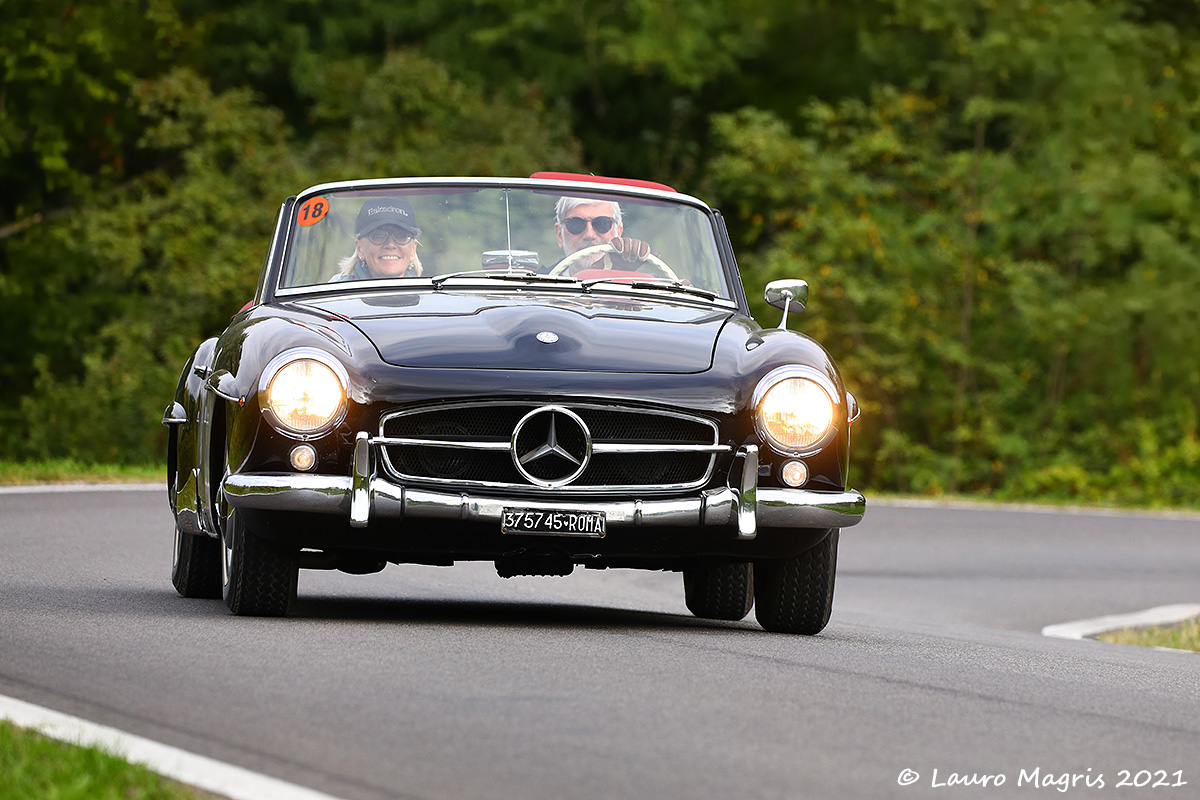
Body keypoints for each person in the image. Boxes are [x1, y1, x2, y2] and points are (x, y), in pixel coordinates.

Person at [331, 197, 424, 281]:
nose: (390, 244)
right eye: (378, 236)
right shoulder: (334, 294)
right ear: (359, 248)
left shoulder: (431, 292)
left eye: (401, 236)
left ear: (413, 249)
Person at [554, 196, 652, 272]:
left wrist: (625, 279)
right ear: (559, 235)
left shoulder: (652, 288)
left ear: (618, 231)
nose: (589, 235)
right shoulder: (539, 285)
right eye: (576, 224)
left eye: (602, 223)